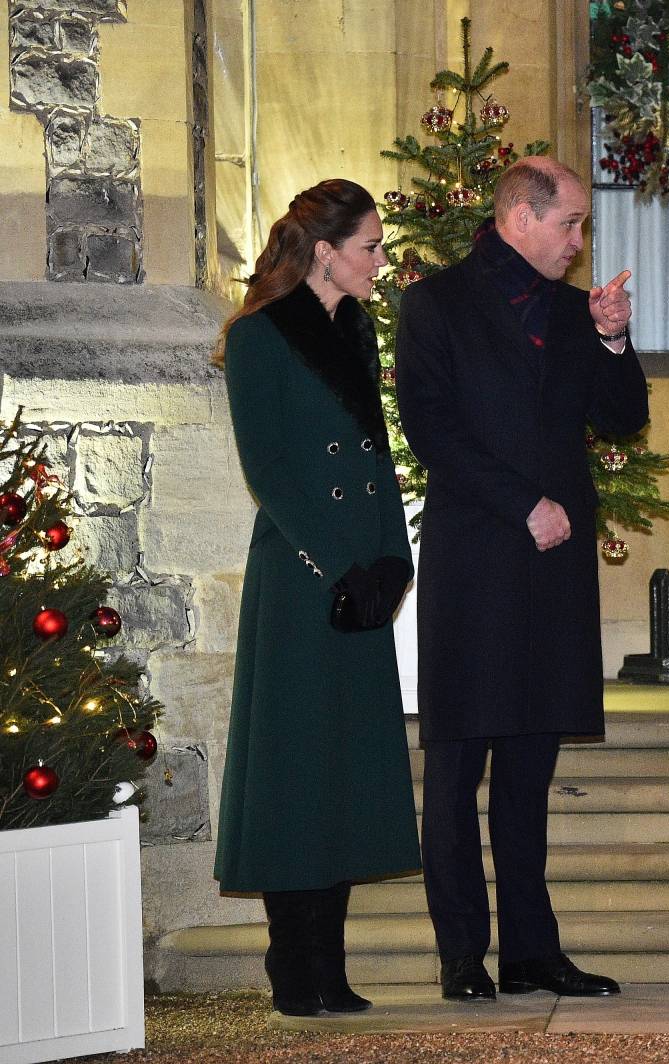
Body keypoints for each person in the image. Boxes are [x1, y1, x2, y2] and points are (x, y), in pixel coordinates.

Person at [394, 157, 648, 1002]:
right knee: (460, 766)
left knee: (531, 770)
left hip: (553, 568)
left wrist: (613, 338)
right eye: (570, 224)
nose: (580, 243)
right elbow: (431, 428)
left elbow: (623, 418)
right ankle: (462, 953)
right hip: (477, 561)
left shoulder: (580, 313)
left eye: (579, 227)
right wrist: (521, 502)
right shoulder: (436, 304)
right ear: (520, 218)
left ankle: (532, 951)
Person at [213, 179, 421, 1017]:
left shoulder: (356, 330)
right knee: (295, 769)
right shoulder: (259, 336)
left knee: (343, 769)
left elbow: (374, 456)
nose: (380, 262)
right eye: (370, 247)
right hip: (303, 579)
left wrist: (394, 562)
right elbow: (272, 474)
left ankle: (331, 967)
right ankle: (291, 961)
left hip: (360, 577)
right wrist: (343, 566)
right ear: (326, 251)